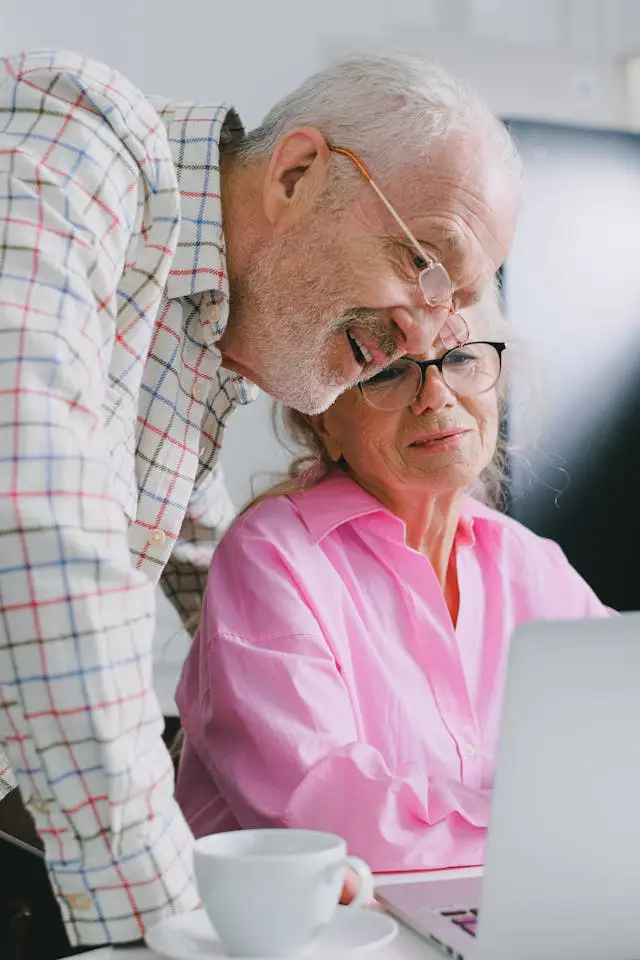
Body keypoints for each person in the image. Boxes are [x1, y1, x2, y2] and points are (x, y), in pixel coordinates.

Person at [0, 48, 520, 949]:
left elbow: (192, 554)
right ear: (297, 173)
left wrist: (290, 861)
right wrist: (160, 910)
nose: (423, 341)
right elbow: (34, 509)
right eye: (422, 262)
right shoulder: (81, 136)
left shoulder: (207, 338)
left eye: (458, 310)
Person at [175, 286, 611, 873]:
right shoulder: (272, 557)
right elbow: (330, 823)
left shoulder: (530, 564)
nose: (436, 395)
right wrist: (548, 834)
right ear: (322, 418)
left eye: (460, 358)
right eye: (388, 372)